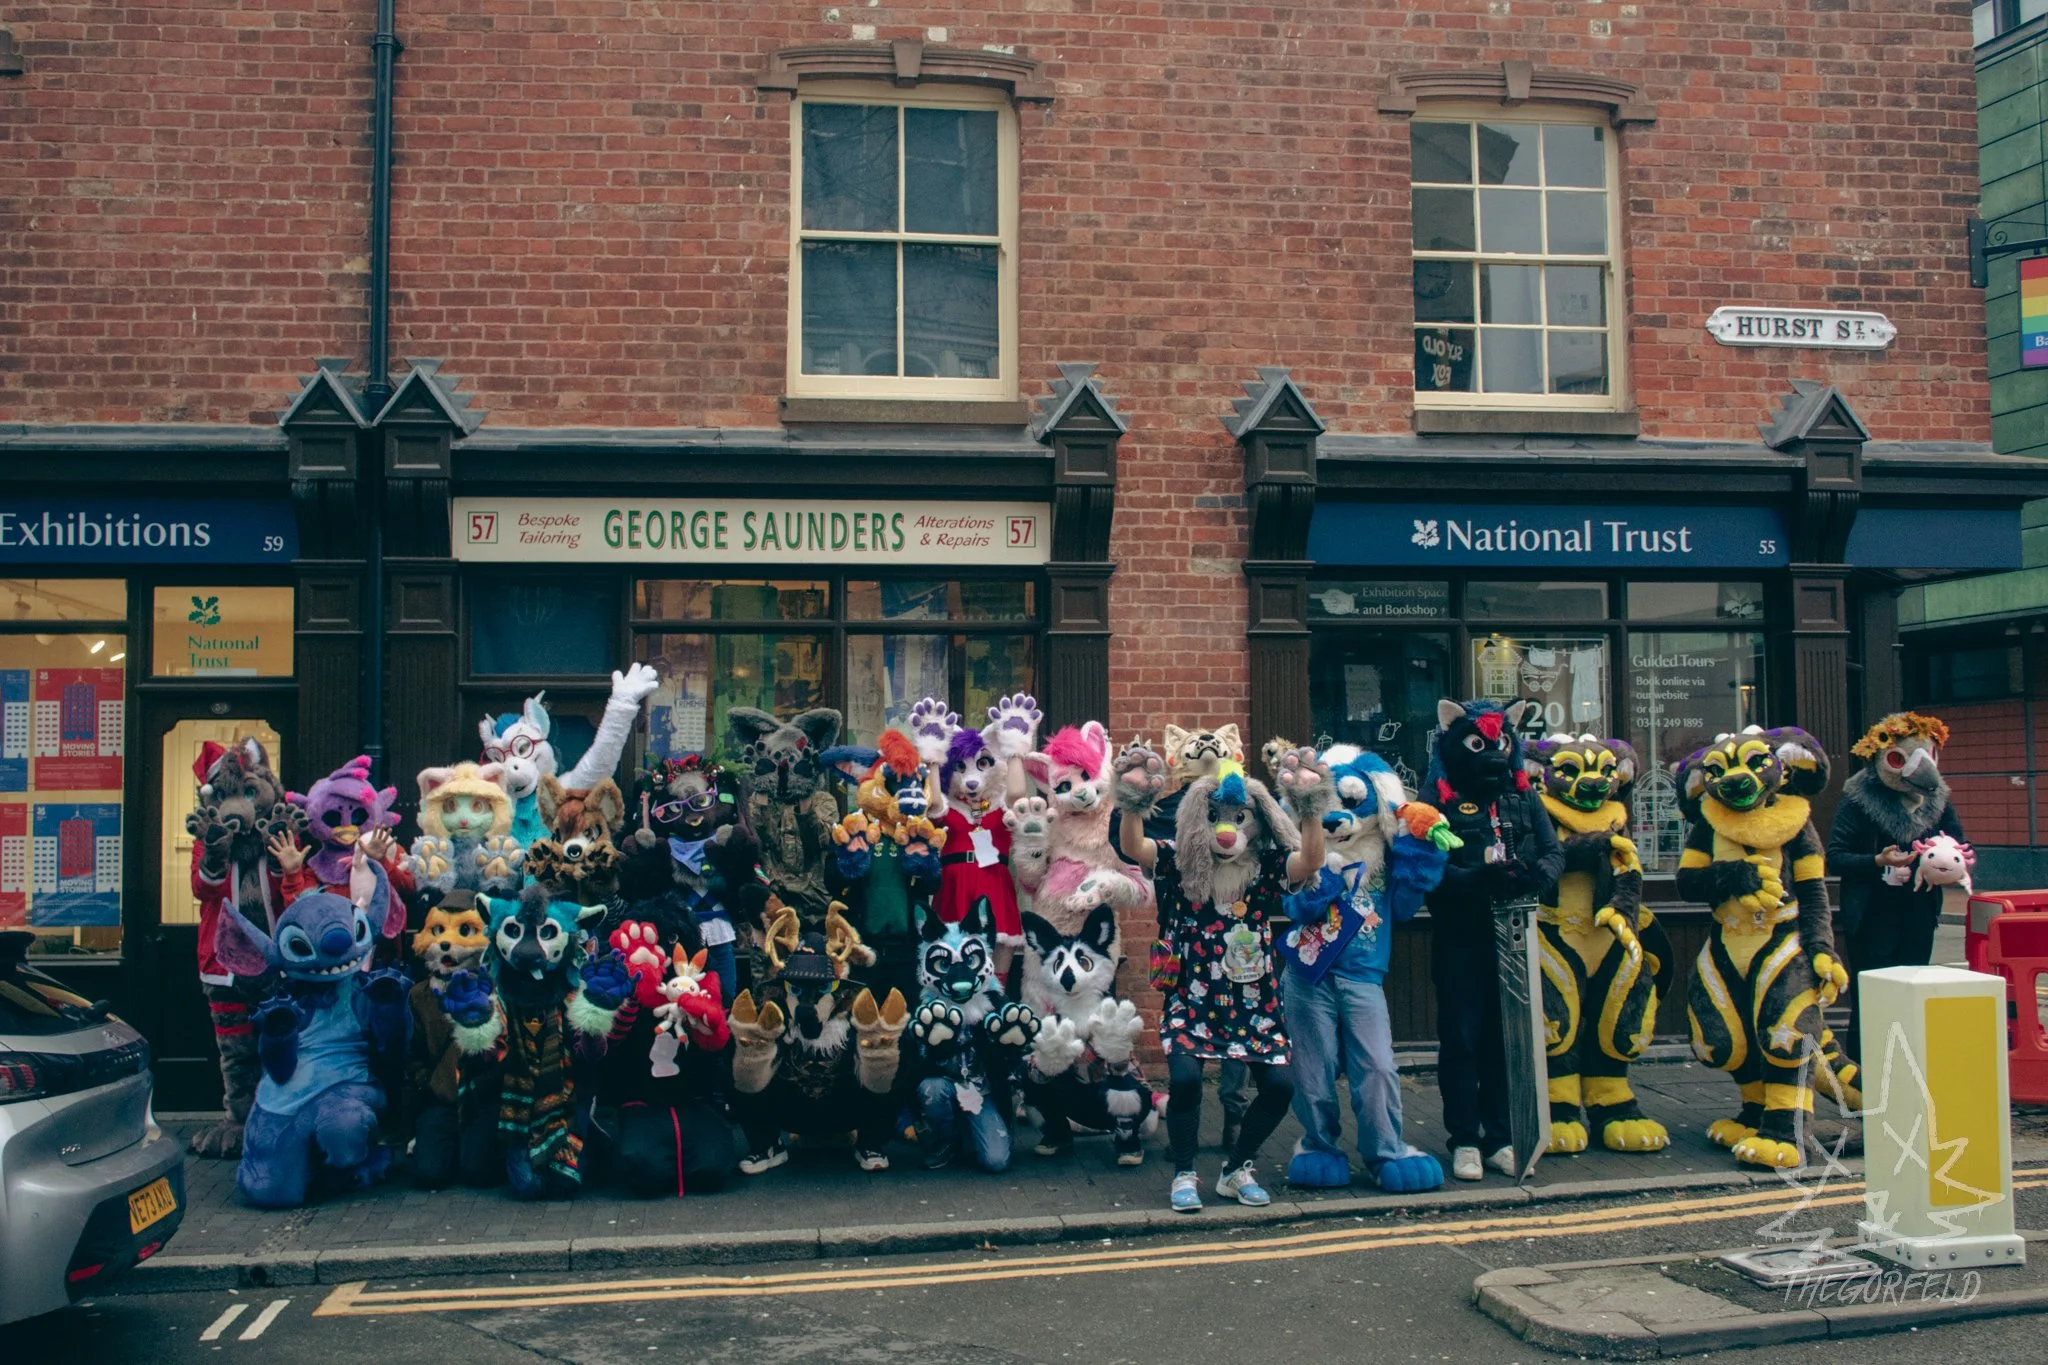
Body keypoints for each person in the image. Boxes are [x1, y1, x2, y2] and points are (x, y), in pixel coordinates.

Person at [1112, 742, 1326, 1212]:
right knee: (1186, 1079)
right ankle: (1184, 1172)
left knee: (1280, 1086)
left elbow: (1310, 861)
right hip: (1193, 996)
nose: (1226, 832)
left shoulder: (1265, 867)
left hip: (1255, 1001)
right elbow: (1132, 846)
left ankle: (1237, 1169)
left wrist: (1310, 809)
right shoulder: (1181, 861)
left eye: (1238, 819)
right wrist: (1133, 803)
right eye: (1213, 819)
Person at [1423, 700, 1564, 1181]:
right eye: (1480, 743)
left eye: (1501, 742)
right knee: (1461, 1039)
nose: (1494, 752)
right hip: (1460, 937)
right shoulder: (1438, 799)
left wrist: (1533, 877)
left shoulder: (1523, 796)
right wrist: (1475, 880)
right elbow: (1425, 869)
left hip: (1515, 937)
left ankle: (1502, 1136)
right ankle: (1464, 1139)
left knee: (1506, 1040)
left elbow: (1552, 851)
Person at [1829, 712, 1969, 1062]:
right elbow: (1836, 857)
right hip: (1873, 916)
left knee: (1913, 990)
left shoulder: (1937, 799)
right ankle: (1866, 1071)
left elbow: (1956, 841)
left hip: (1919, 910)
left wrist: (1951, 858)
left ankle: (1909, 1065)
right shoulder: (1859, 799)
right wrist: (1878, 861)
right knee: (1873, 994)